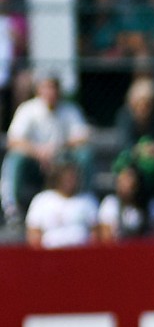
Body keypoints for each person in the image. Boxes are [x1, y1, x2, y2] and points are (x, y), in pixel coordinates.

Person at [4, 75, 92, 224]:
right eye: (46, 88)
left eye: (54, 88)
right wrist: (38, 151)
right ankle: (12, 209)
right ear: (38, 90)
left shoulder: (70, 110)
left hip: (63, 162)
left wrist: (59, 147)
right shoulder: (27, 109)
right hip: (33, 163)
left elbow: (84, 136)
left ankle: (86, 199)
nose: (50, 92)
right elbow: (13, 140)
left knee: (85, 155)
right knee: (14, 159)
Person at [25, 158, 103, 248]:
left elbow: (96, 235)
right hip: (50, 256)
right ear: (57, 177)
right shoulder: (42, 200)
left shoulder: (88, 201)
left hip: (81, 255)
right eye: (66, 176)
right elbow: (33, 233)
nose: (69, 180)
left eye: (72, 176)